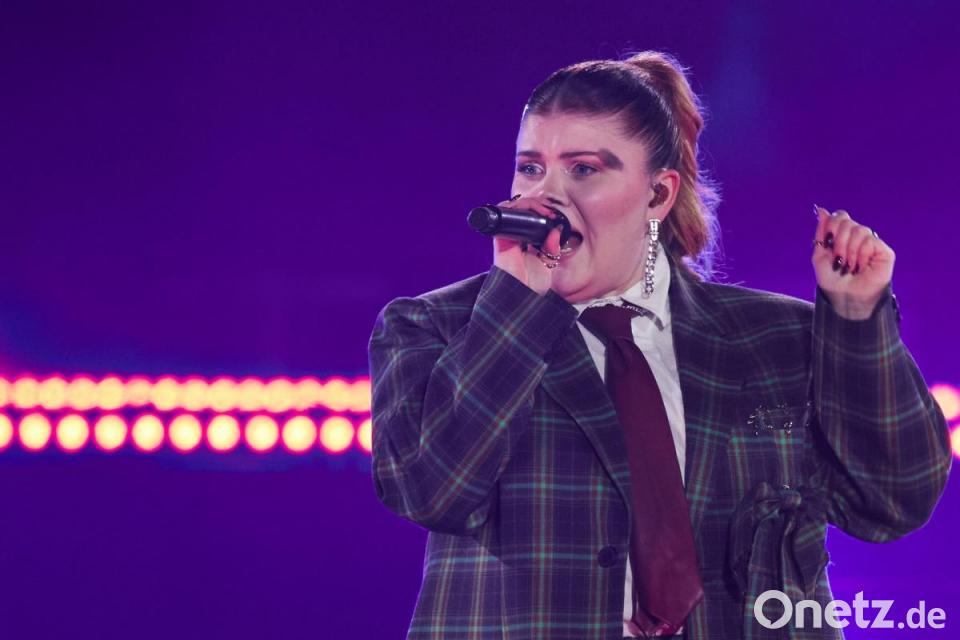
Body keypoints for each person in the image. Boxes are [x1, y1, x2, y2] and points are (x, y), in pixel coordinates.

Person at [367, 50, 951, 640]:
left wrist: (857, 321)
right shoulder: (437, 327)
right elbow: (430, 491)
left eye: (584, 169)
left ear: (657, 195)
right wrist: (515, 303)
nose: (545, 198)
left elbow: (893, 500)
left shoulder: (778, 339)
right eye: (530, 168)